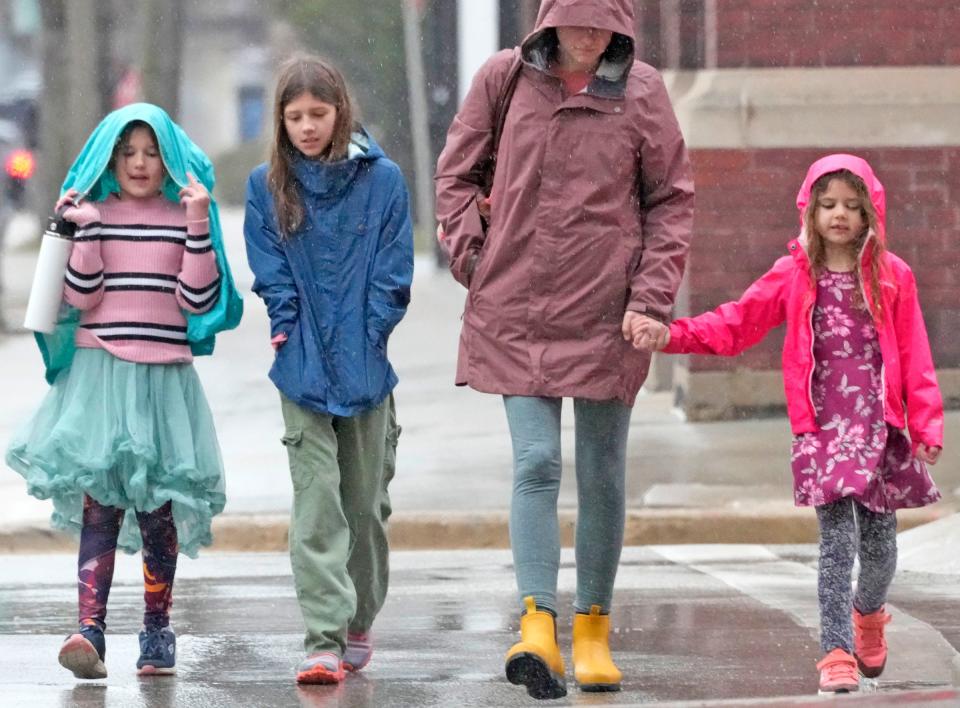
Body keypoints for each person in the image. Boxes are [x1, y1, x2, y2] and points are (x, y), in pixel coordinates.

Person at [435, 0, 694, 699]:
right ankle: (537, 626)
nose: (588, 34)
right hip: (516, 303)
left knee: (603, 469)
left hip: (610, 311)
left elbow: (671, 200)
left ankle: (592, 631)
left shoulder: (643, 91)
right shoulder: (504, 78)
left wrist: (650, 298)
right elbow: (455, 174)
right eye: (575, 18)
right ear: (550, 20)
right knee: (537, 460)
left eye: (600, 21)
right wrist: (471, 257)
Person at [631, 154, 942, 694]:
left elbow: (916, 355)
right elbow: (738, 322)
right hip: (823, 431)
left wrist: (926, 426)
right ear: (810, 212)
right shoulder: (795, 275)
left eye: (851, 205)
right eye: (827, 205)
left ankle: (868, 614)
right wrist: (671, 335)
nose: (839, 215)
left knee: (881, 551)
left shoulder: (894, 277)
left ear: (870, 212)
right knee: (835, 546)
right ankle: (836, 653)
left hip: (881, 431)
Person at [5, 103, 243, 680]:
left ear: (170, 158)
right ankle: (89, 628)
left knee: (158, 508)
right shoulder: (98, 213)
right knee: (101, 504)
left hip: (163, 378)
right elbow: (82, 295)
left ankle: (157, 632)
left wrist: (195, 223)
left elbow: (198, 299)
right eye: (128, 152)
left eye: (152, 152)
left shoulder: (184, 214)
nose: (140, 163)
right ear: (111, 158)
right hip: (102, 376)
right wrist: (83, 230)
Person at [243, 55, 413, 685]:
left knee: (364, 507)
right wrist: (286, 329)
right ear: (280, 122)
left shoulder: (384, 181)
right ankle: (322, 635)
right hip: (302, 369)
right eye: (295, 117)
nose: (308, 127)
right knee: (316, 504)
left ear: (341, 111)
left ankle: (360, 618)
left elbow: (395, 270)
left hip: (367, 369)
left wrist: (373, 332)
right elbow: (271, 270)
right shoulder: (267, 186)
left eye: (319, 113)